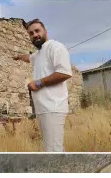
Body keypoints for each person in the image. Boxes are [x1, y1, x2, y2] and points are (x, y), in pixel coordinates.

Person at [12, 19, 72, 152]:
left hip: (53, 108)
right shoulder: (38, 54)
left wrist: (38, 83)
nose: (35, 35)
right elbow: (29, 57)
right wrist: (17, 56)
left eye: (37, 31)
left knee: (53, 150)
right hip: (44, 109)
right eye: (31, 33)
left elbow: (64, 73)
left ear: (45, 31)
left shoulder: (55, 47)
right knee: (53, 148)